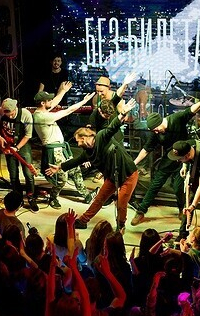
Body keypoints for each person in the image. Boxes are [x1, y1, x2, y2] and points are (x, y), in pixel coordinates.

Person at [45, 98, 138, 231]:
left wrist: (122, 114)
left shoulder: (101, 137)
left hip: (128, 174)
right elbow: (76, 161)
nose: (77, 144)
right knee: (99, 199)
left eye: (78, 141)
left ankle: (121, 225)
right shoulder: (87, 152)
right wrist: (59, 167)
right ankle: (83, 221)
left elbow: (112, 128)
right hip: (112, 176)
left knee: (121, 203)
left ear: (84, 138)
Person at [130, 89, 200, 226]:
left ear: (160, 122)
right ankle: (141, 211)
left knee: (179, 187)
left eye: (156, 129)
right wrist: (134, 163)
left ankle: (182, 209)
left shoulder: (176, 119)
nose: (155, 132)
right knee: (155, 185)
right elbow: (146, 149)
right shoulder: (156, 133)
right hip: (168, 159)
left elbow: (190, 110)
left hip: (183, 160)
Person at [32, 82, 97, 209]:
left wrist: (63, 91)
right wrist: (84, 101)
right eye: (48, 100)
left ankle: (86, 195)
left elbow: (54, 102)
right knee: (61, 178)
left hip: (60, 149)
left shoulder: (41, 112)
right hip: (55, 151)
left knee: (75, 169)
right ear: (43, 103)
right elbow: (69, 110)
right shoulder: (43, 117)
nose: (51, 101)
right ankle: (53, 197)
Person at [0, 97, 39, 212]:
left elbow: (28, 135)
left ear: (15, 108)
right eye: (7, 114)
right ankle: (18, 198)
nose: (10, 116)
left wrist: (17, 148)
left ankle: (31, 197)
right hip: (8, 145)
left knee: (28, 174)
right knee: (13, 175)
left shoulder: (25, 114)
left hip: (22, 145)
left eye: (12, 114)